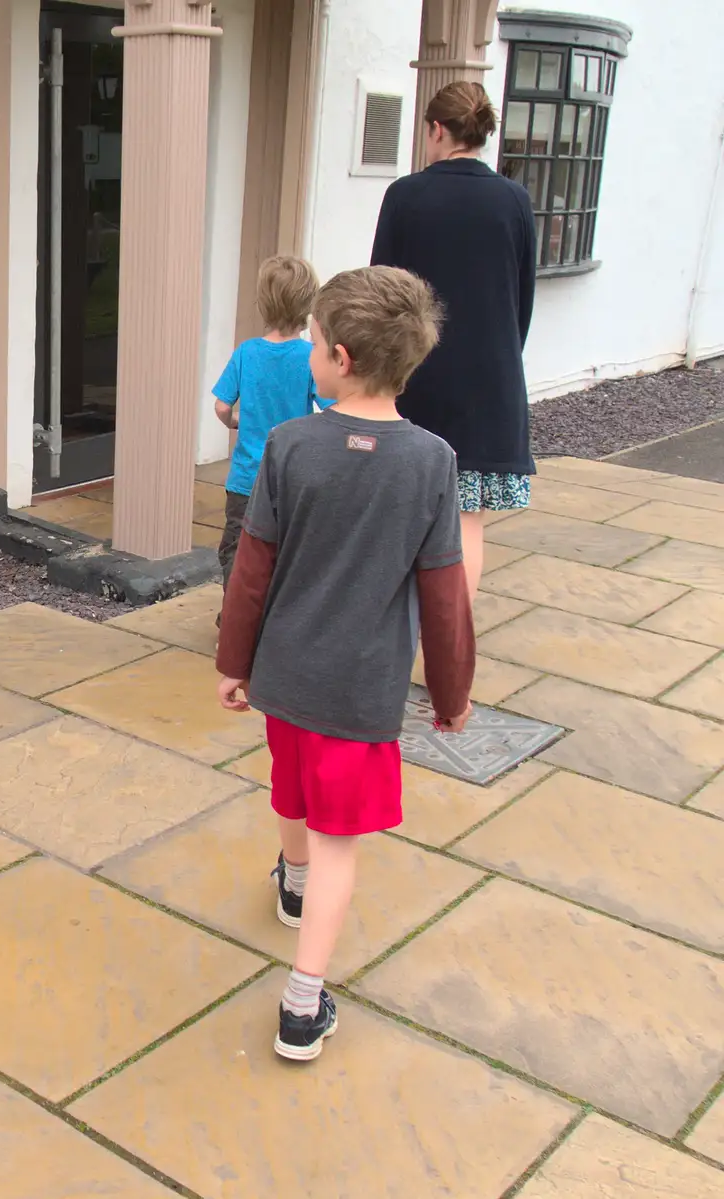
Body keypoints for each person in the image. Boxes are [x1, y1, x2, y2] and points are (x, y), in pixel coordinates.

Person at [215, 266, 475, 1063]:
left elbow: (251, 567)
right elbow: (444, 592)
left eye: (317, 348)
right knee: (338, 836)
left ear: (338, 355)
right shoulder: (430, 461)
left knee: (291, 788)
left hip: (284, 679)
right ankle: (303, 1001)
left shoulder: (290, 445)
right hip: (359, 693)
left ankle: (291, 883)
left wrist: (234, 659)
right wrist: (453, 689)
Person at [370, 80, 537, 602]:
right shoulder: (514, 200)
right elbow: (522, 300)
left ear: (437, 129)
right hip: (490, 381)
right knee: (466, 524)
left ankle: (392, 639)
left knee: (400, 517)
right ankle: (448, 654)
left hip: (413, 377)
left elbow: (381, 292)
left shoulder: (406, 195)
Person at [211, 255, 323, 597]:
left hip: (246, 480)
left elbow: (221, 405)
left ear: (263, 304)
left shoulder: (246, 352)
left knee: (238, 551)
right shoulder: (310, 356)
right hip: (292, 478)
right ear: (308, 307)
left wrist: (233, 422)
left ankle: (235, 623)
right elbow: (335, 407)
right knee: (286, 552)